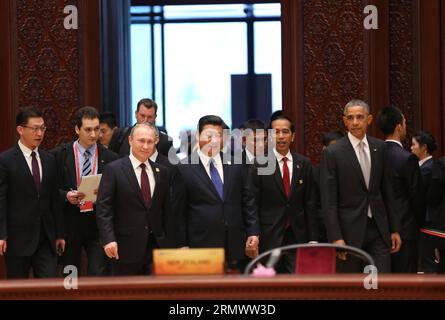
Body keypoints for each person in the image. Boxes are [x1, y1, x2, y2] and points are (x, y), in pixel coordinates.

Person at [320, 99, 401, 273]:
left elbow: (387, 192)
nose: (355, 122)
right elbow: (329, 200)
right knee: (351, 290)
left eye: (360, 117)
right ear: (344, 121)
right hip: (348, 232)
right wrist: (336, 237)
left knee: (380, 285)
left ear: (369, 119)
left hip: (378, 228)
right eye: (350, 118)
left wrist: (394, 229)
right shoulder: (333, 152)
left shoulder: (380, 148)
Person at [176, 115, 260, 272]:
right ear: (197, 136)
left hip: (235, 243)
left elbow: (248, 201)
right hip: (200, 244)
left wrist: (253, 233)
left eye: (219, 135)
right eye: (209, 135)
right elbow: (178, 212)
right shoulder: (183, 168)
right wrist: (182, 244)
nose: (214, 140)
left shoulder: (237, 164)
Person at [96, 123, 179, 275]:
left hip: (158, 247)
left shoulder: (162, 171)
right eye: (141, 141)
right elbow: (104, 208)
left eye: (150, 141)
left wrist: (173, 245)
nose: (145, 146)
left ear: (156, 142)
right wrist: (108, 239)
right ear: (130, 141)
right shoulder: (113, 169)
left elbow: (167, 212)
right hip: (125, 246)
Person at [52, 107, 118, 276]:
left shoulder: (110, 158)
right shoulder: (59, 155)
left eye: (97, 129)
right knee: (70, 273)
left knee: (98, 272)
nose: (94, 135)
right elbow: (50, 190)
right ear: (77, 129)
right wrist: (66, 195)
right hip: (70, 222)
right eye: (88, 130)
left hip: (97, 223)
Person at [0, 107, 64, 278]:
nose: (39, 133)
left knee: (49, 289)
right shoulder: (5, 161)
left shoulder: (49, 159)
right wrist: (2, 234)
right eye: (34, 128)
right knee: (18, 291)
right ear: (20, 130)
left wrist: (59, 234)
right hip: (17, 239)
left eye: (42, 128)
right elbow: (1, 201)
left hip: (46, 238)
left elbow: (54, 200)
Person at [251, 115, 318, 273]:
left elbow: (310, 202)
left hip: (297, 234)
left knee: (296, 283)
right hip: (269, 234)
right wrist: (253, 233)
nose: (280, 136)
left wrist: (313, 238)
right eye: (276, 132)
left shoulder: (304, 163)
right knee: (270, 284)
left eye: (285, 132)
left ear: (293, 136)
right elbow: (252, 202)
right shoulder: (259, 163)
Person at [376, 106, 424, 273]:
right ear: (398, 127)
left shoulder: (375, 155)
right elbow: (416, 196)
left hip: (379, 228)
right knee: (405, 281)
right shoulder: (407, 158)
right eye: (404, 122)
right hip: (405, 228)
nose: (405, 126)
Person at [411, 131, 439, 273]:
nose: (411, 148)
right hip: (426, 220)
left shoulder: (427, 169)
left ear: (424, 147)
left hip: (426, 220)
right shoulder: (425, 166)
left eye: (414, 144)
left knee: (427, 259)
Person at [108, 98, 173, 158]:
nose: (145, 120)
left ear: (155, 117)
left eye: (150, 117)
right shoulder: (120, 135)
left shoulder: (165, 141)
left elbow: (169, 167)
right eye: (142, 116)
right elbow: (112, 161)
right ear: (136, 114)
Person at [313, 131, 344, 242]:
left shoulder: (350, 170)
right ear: (324, 149)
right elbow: (314, 207)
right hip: (323, 230)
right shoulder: (315, 173)